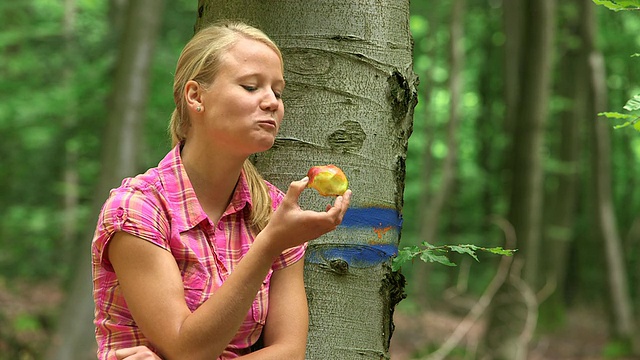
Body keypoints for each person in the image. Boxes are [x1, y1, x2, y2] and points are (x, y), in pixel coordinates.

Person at [92, 20, 351, 360]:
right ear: (196, 96)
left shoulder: (275, 210)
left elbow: (289, 352)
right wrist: (270, 243)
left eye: (277, 91)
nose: (272, 102)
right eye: (250, 87)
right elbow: (186, 347)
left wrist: (275, 236)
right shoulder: (137, 209)